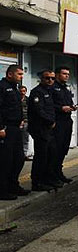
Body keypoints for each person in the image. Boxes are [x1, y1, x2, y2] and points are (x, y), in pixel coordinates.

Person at [0, 65, 30, 200]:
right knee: (5, 160)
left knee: (18, 159)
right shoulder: (2, 87)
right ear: (10, 74)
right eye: (19, 74)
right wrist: (0, 127)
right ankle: (2, 189)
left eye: (22, 74)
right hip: (6, 128)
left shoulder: (15, 88)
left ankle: (13, 184)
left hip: (17, 128)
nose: (21, 77)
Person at [29, 69, 61, 192]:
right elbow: (39, 111)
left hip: (49, 130)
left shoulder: (50, 91)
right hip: (40, 129)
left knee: (51, 154)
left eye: (52, 78)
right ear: (41, 79)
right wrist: (50, 121)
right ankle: (37, 182)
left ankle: (48, 179)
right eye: (47, 78)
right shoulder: (37, 92)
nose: (50, 80)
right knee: (41, 157)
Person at [51, 66, 77, 183]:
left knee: (63, 149)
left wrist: (72, 107)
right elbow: (49, 105)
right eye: (64, 73)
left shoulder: (66, 89)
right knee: (55, 149)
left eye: (68, 74)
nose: (66, 76)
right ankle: (53, 174)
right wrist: (61, 108)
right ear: (57, 75)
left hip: (67, 121)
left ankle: (59, 172)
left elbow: (69, 102)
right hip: (58, 122)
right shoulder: (52, 87)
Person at [20, 85, 32, 161]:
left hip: (26, 121)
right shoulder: (15, 99)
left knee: (25, 139)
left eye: (24, 91)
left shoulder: (28, 100)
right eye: (21, 91)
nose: (22, 93)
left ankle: (24, 155)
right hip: (16, 122)